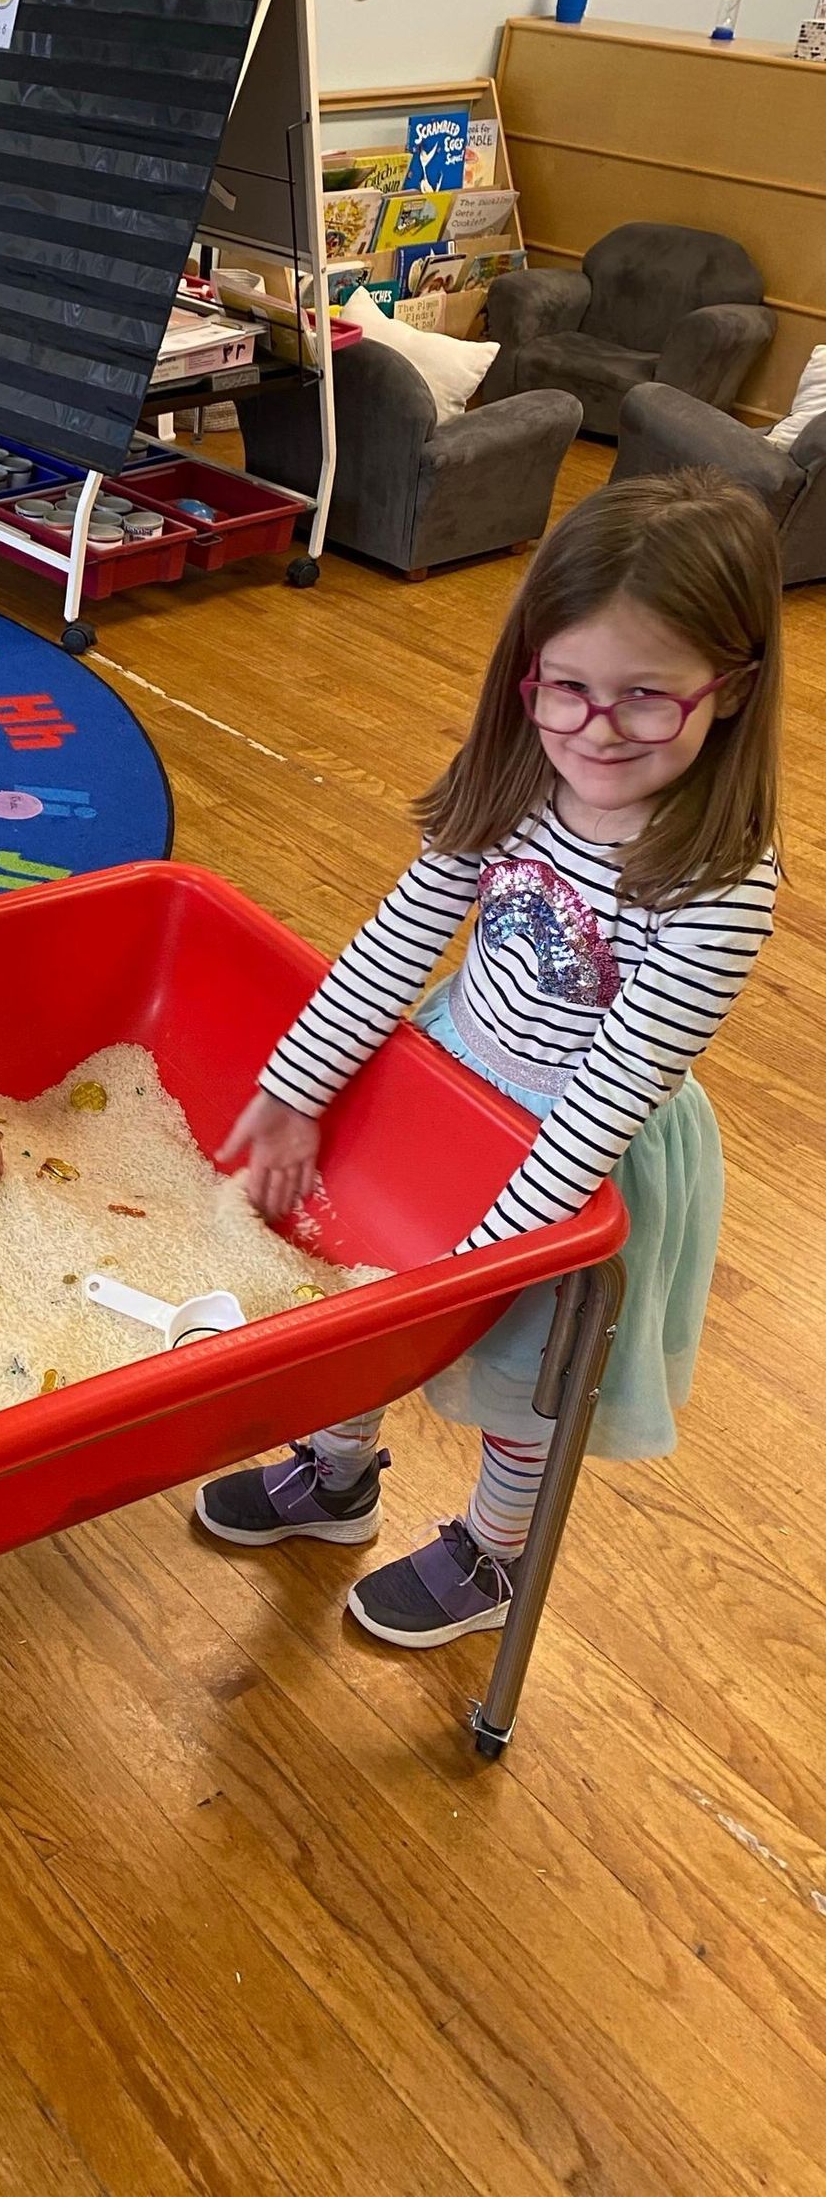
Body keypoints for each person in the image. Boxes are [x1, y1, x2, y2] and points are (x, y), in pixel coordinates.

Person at [201, 472, 781, 1647]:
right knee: (364, 1297)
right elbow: (397, 937)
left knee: (522, 1378)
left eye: (646, 700)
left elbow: (607, 1101)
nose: (595, 731)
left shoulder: (720, 884)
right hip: (450, 1086)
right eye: (565, 688)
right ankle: (335, 1474)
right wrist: (294, 1088)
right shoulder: (519, 776)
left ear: (731, 690)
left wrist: (476, 1268)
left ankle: (492, 1551)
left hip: (578, 1164)